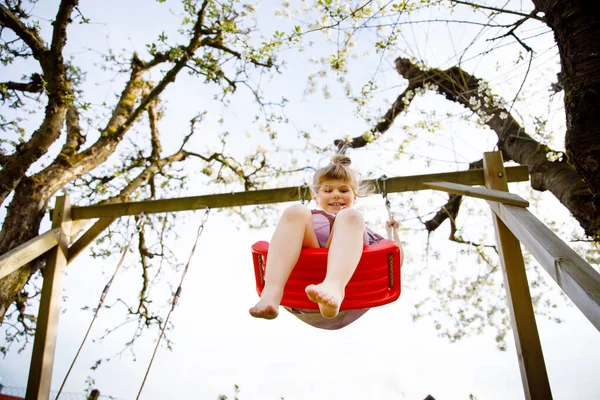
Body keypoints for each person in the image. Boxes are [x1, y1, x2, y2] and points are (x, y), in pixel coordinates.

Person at [249, 154, 402, 329]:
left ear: (355, 197)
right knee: (296, 211)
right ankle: (272, 292)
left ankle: (334, 287)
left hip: (350, 294)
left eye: (344, 191)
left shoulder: (359, 227)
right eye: (328, 191)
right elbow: (282, 243)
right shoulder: (307, 221)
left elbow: (395, 262)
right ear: (315, 197)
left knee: (350, 216)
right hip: (301, 293)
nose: (336, 195)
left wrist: (393, 234)